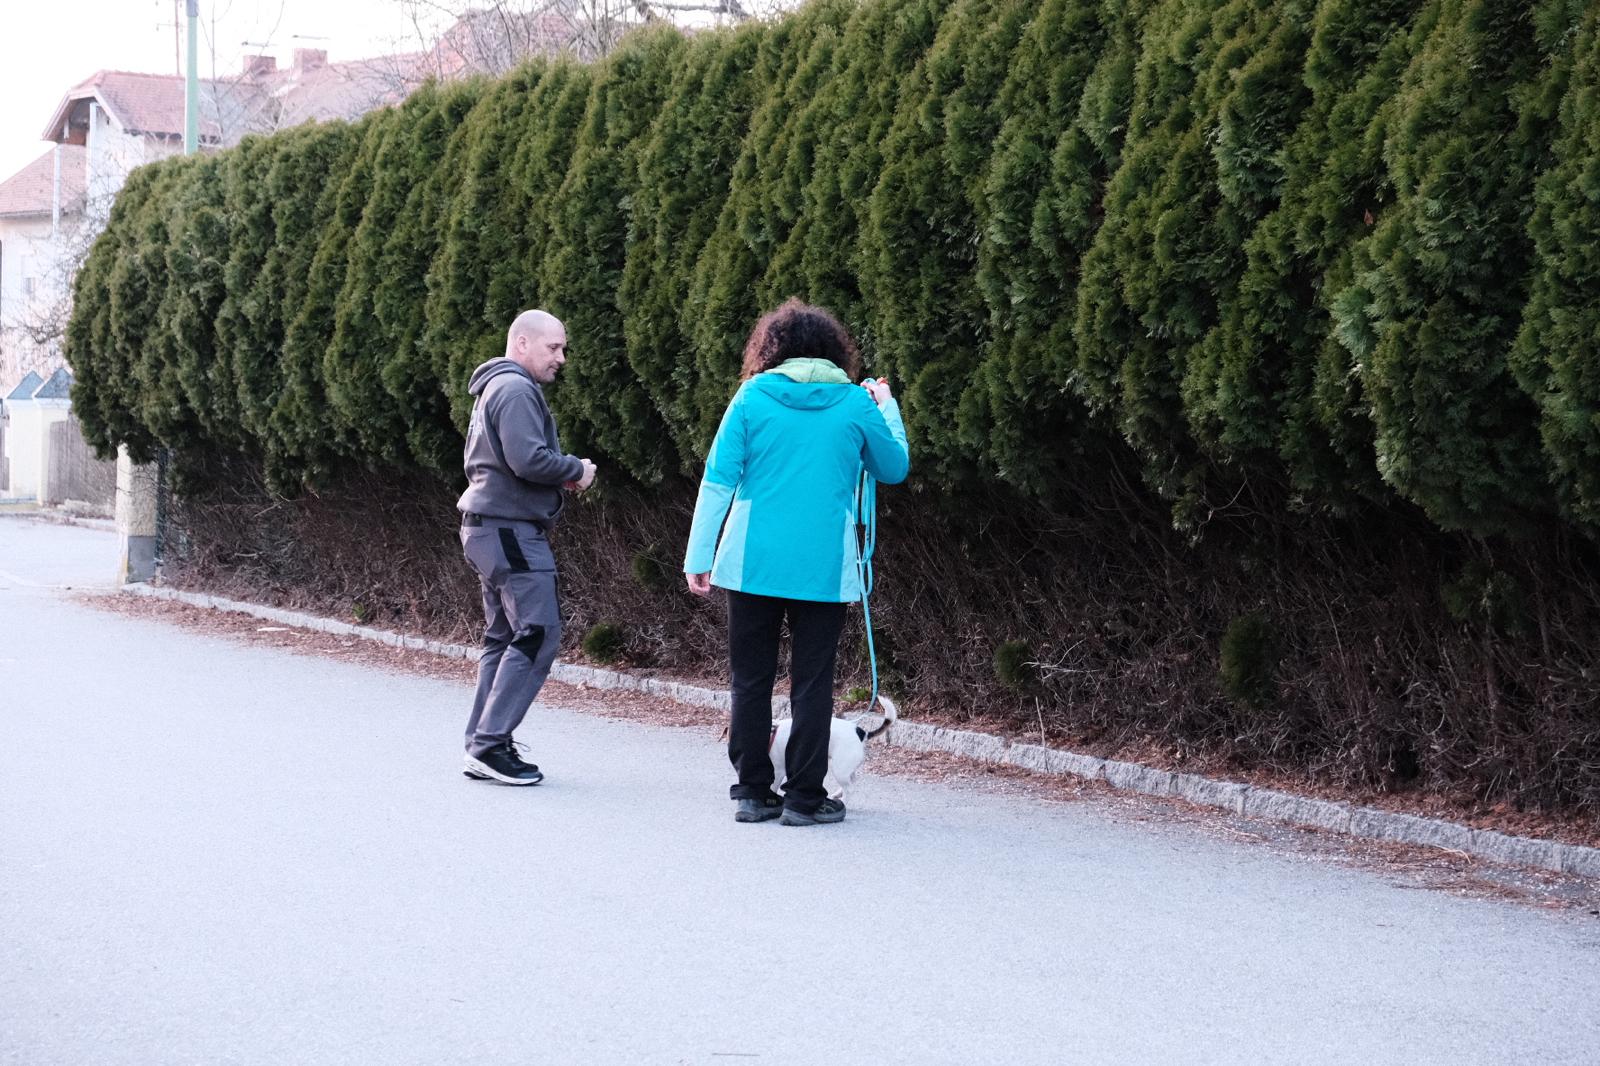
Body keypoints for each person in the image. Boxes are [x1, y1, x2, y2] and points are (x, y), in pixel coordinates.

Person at [684, 299, 909, 826]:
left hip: (750, 563)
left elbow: (718, 480)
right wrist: (887, 406)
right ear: (834, 353)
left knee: (750, 679)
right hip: (824, 568)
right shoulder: (855, 404)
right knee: (813, 682)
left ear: (772, 350)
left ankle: (752, 792)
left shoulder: (751, 397)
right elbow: (893, 467)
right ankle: (805, 798)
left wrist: (699, 554)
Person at [458, 309, 596, 785]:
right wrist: (576, 469)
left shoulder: (495, 387)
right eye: (553, 347)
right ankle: (490, 745)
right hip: (509, 532)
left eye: (563, 348)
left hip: (489, 530)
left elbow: (509, 461)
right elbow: (527, 459)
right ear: (521, 343)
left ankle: (482, 743)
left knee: (503, 637)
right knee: (538, 632)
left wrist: (557, 475)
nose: (561, 358)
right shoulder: (515, 389)